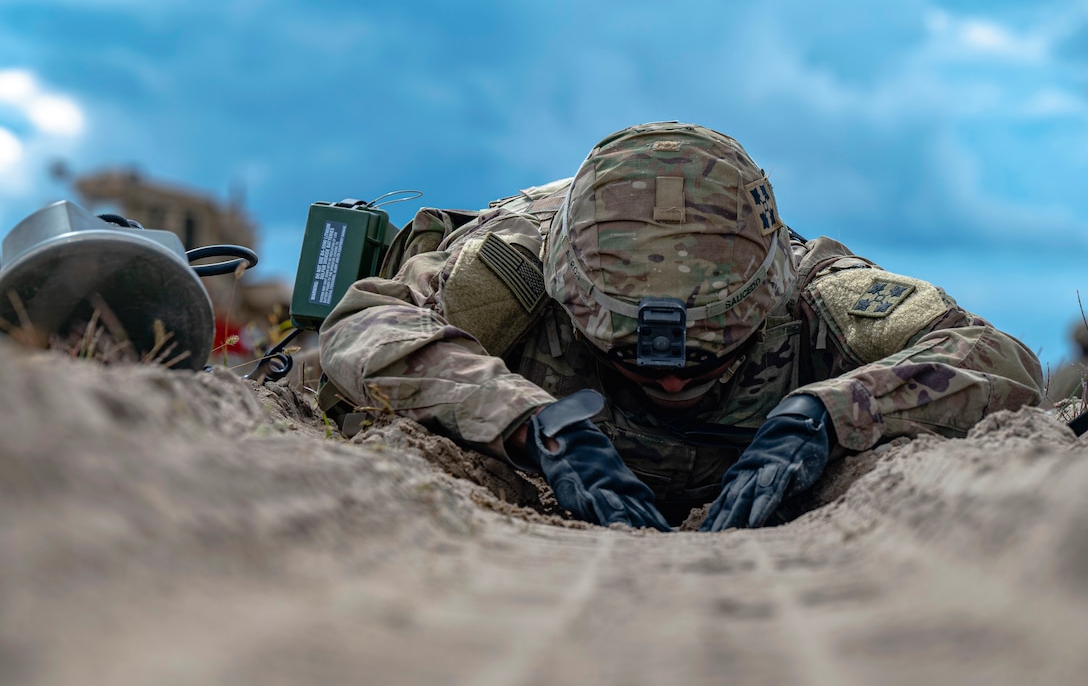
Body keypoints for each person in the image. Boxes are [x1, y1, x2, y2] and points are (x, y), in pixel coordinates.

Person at [318, 121, 1043, 532]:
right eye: (630, 356)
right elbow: (359, 324)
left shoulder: (815, 291)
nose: (668, 378)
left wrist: (828, 414)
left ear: (768, 305)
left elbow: (1000, 357)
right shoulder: (514, 277)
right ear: (578, 304)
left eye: (705, 362)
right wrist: (528, 422)